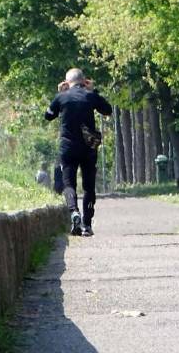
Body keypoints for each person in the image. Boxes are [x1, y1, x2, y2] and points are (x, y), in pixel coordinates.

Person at [45, 68, 112, 237]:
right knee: (89, 186)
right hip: (88, 148)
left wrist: (58, 93)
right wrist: (93, 90)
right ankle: (87, 225)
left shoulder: (61, 97)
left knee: (69, 184)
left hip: (68, 148)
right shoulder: (90, 95)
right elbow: (107, 110)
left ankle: (74, 212)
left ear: (66, 83)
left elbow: (48, 115)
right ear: (84, 81)